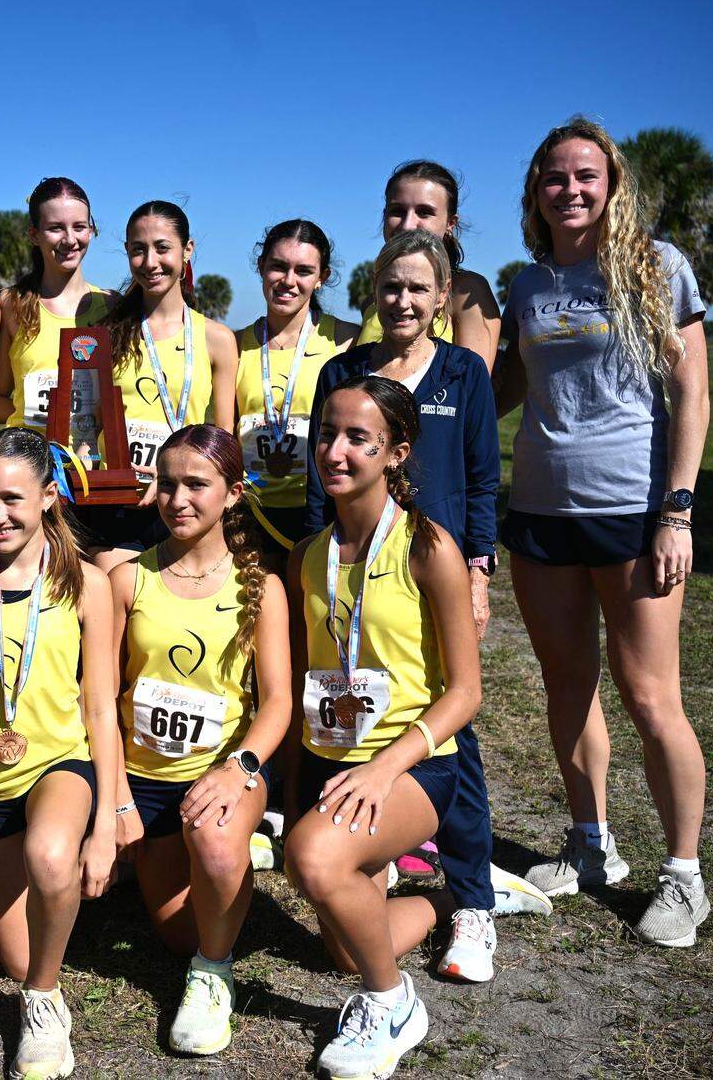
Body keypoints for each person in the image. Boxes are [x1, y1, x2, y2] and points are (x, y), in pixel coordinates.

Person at [303, 230, 549, 983]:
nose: (401, 300)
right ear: (371, 292)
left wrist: (476, 568)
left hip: (429, 570)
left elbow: (481, 478)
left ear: (444, 295)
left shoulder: (464, 372)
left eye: (417, 288)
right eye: (389, 286)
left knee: (450, 730)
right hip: (355, 575)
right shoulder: (346, 370)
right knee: (354, 706)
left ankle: (470, 895)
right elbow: (324, 480)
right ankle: (378, 855)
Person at [498, 118, 710, 947]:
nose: (572, 190)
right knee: (566, 684)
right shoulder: (529, 283)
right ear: (537, 192)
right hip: (543, 512)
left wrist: (678, 508)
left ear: (611, 183)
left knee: (653, 698)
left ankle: (684, 875)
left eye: (587, 175)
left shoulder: (656, 267)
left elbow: (692, 394)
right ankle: (592, 847)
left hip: (634, 510)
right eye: (556, 177)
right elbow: (503, 387)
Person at [284, 375, 482, 1079]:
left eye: (357, 439)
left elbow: (465, 693)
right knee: (344, 941)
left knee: (312, 859)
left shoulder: (430, 549)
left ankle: (392, 1004)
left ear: (396, 452)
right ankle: (447, 897)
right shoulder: (307, 555)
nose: (334, 451)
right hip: (331, 761)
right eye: (326, 434)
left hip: (413, 767)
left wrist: (383, 768)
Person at [0, 428, 117, 1079]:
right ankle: (37, 965)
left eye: (12, 498)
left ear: (47, 497)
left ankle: (43, 1005)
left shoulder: (86, 584)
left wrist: (111, 823)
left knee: (50, 854)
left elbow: (100, 710)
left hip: (59, 761)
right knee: (14, 954)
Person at [111, 425, 291, 1056]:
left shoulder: (263, 588)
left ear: (233, 494)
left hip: (218, 772)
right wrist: (117, 802)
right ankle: (220, 876)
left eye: (196, 484)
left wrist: (238, 767)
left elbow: (278, 704)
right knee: (176, 933)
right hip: (142, 782)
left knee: (214, 848)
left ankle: (214, 975)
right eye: (167, 483)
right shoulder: (130, 579)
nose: (178, 498)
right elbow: (102, 699)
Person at [84, 202, 238, 570]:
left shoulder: (217, 338)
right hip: (118, 506)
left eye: (162, 247)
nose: (150, 261)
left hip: (185, 506)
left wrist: (173, 480)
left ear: (187, 250)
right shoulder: (104, 334)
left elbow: (224, 436)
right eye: (138, 250)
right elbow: (88, 424)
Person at [233, 220, 358, 560]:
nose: (289, 281)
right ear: (261, 267)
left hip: (319, 509)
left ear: (322, 277)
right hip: (250, 511)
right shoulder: (233, 345)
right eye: (278, 267)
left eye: (303, 270)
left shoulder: (347, 341)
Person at [0, 177, 115, 433]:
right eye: (56, 228)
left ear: (91, 230)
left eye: (79, 226)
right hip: (29, 463)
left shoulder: (112, 306)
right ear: (34, 234)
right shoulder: (11, 305)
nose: (70, 239)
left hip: (94, 466)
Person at [357, 160, 501, 372]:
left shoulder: (467, 293)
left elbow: (471, 389)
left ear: (450, 223)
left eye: (424, 212)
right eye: (397, 211)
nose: (407, 224)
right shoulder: (373, 300)